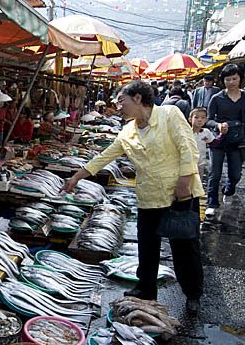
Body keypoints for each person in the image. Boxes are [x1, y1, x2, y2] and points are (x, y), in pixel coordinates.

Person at [63, 80, 205, 315]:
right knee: (147, 245)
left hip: (180, 193)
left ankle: (192, 294)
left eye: (122, 101)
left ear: (138, 98)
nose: (119, 106)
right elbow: (105, 156)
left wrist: (184, 183)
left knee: (184, 246)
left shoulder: (170, 114)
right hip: (149, 195)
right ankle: (145, 287)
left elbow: (188, 148)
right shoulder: (127, 130)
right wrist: (77, 177)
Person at [205, 63, 245, 215]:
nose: (231, 82)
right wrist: (217, 125)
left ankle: (229, 190)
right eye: (227, 79)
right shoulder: (216, 98)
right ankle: (212, 202)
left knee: (236, 173)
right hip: (218, 140)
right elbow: (208, 120)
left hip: (238, 141)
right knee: (214, 173)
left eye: (234, 78)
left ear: (240, 79)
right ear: (223, 81)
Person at [189, 107, 216, 185]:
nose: (200, 120)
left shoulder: (206, 132)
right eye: (196, 117)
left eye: (203, 117)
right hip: (187, 163)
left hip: (200, 162)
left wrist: (222, 135)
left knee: (197, 184)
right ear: (190, 119)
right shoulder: (186, 132)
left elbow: (214, 142)